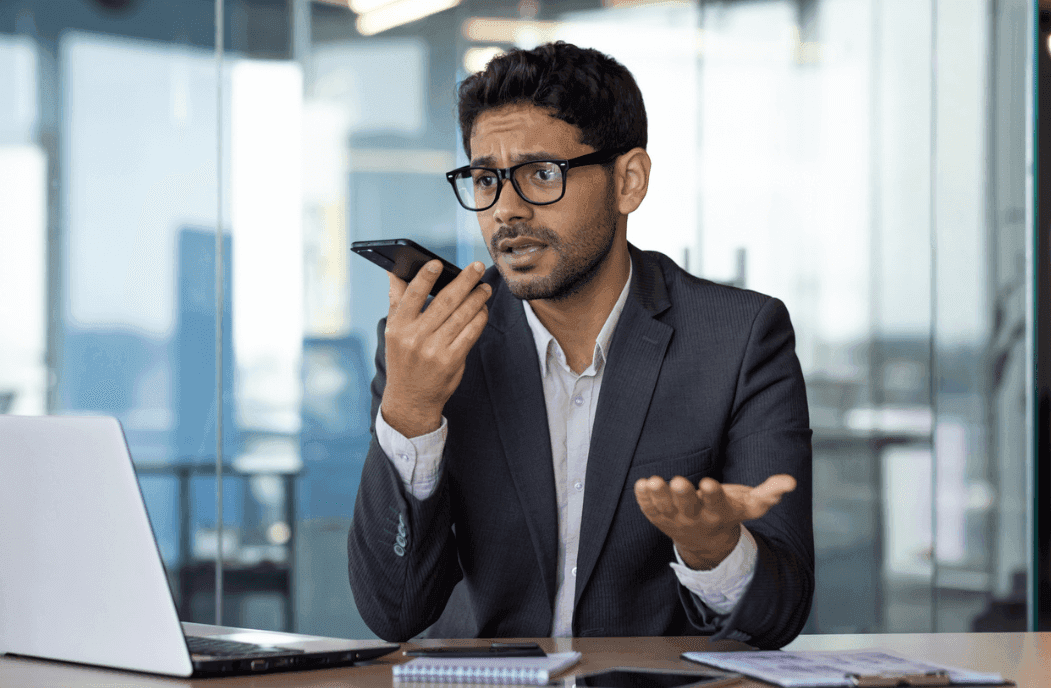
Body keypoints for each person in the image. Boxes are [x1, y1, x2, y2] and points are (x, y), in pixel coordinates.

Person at [347, 41, 813, 649]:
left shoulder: (740, 338)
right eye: (486, 179)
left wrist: (714, 550)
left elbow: (781, 614)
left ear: (628, 181)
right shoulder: (430, 346)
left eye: (542, 174)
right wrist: (409, 414)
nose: (505, 211)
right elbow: (394, 613)